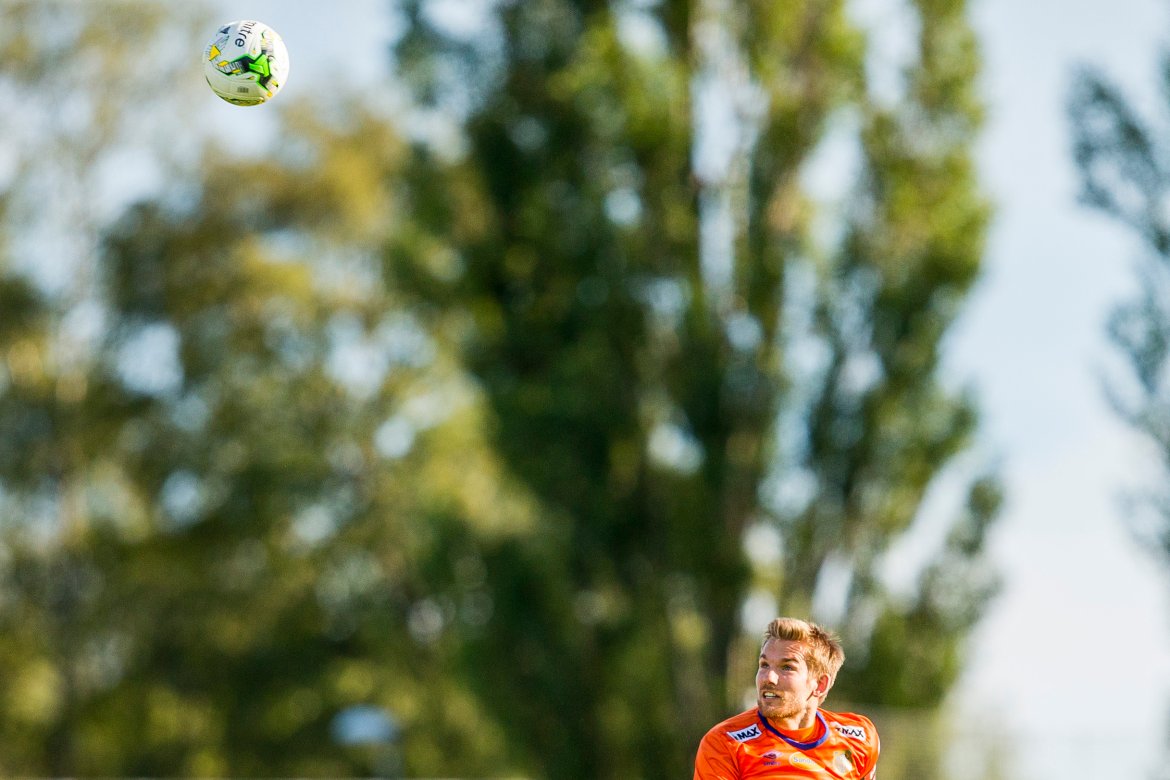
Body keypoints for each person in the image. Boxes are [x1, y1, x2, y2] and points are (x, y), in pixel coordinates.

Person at [694, 617, 879, 779]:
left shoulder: (860, 739)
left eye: (787, 667)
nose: (768, 677)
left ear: (820, 685)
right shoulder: (725, 743)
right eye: (764, 664)